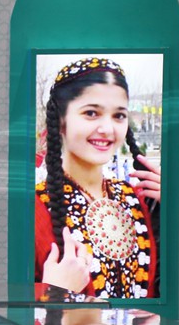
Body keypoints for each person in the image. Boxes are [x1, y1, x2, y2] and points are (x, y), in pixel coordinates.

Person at [35, 57, 161, 298]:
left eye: (119, 116)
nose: (107, 129)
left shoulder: (138, 200)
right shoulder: (34, 209)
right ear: (60, 120)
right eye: (91, 113)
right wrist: (53, 291)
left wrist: (175, 215)